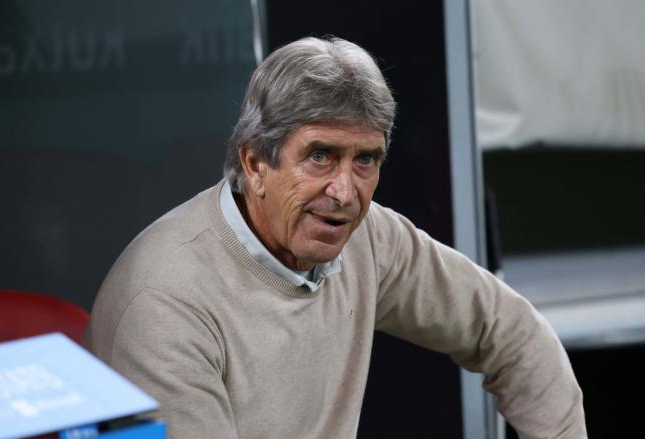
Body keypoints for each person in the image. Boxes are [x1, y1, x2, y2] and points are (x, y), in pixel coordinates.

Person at [83, 36, 587, 438]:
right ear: (255, 163)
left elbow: (513, 334)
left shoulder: (368, 239)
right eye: (320, 155)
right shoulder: (165, 306)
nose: (345, 192)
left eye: (365, 159)